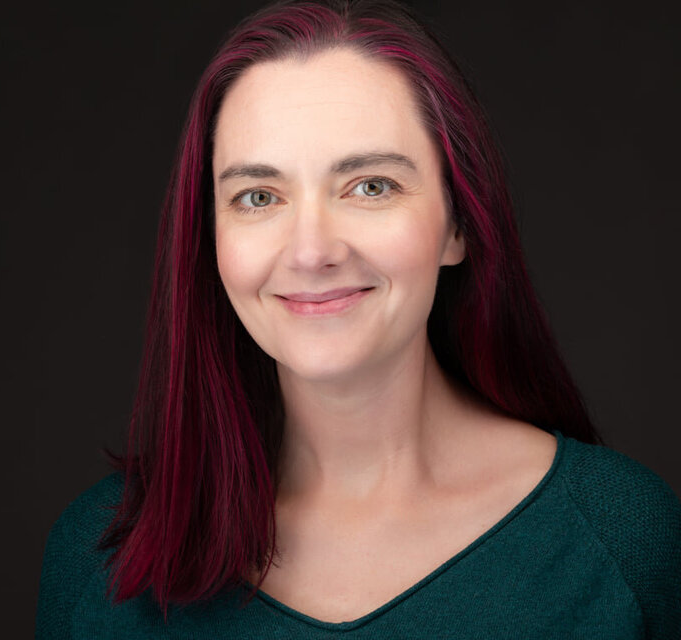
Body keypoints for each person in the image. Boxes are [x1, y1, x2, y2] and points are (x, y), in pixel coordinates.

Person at [35, 0, 681, 637]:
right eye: (258, 197)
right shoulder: (100, 558)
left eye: (370, 186)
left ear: (459, 224)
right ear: (209, 241)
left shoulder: (624, 539)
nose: (312, 250)